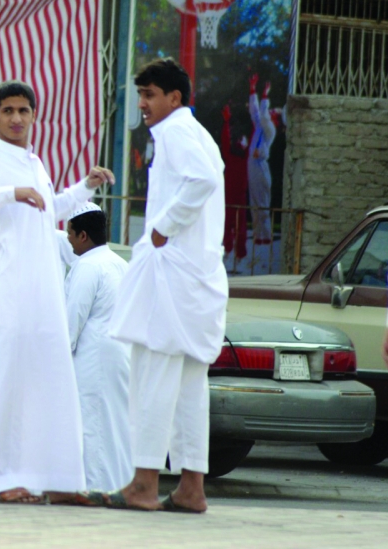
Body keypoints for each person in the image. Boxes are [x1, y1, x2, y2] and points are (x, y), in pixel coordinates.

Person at [0, 79, 114, 505]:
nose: (16, 118)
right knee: (5, 380)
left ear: (34, 115)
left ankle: (58, 481)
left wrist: (85, 186)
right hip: (8, 289)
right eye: (8, 111)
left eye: (23, 110)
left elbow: (49, 211)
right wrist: (10, 193)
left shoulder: (34, 162)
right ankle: (0, 482)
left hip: (43, 291)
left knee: (50, 379)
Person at [106, 58, 227, 513]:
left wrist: (163, 226)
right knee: (191, 388)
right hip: (198, 278)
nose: (143, 104)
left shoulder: (177, 132)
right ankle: (191, 486)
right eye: (141, 94)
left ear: (174, 99)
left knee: (152, 379)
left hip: (173, 276)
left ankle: (144, 483)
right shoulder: (199, 135)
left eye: (150, 95)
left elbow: (200, 181)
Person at [64, 202, 132, 492]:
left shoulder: (88, 266)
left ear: (82, 236)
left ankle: (96, 490)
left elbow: (72, 319)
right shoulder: (120, 263)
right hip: (120, 356)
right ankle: (119, 485)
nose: (67, 239)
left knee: (92, 425)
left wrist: (57, 358)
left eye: (70, 234)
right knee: (116, 424)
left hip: (94, 360)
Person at [248, 75, 276, 249]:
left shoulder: (269, 131)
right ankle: (259, 236)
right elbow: (256, 112)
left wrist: (265, 95)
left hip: (261, 167)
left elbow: (264, 116)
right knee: (255, 203)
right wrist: (253, 90)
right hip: (253, 169)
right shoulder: (260, 127)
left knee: (263, 204)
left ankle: (266, 235)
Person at [220, 100, 250, 265]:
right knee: (228, 224)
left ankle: (239, 253)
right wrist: (225, 121)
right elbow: (225, 140)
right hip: (230, 194)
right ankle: (228, 249)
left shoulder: (244, 156)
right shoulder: (231, 155)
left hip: (239, 195)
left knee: (241, 227)